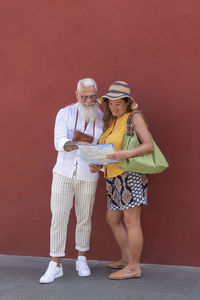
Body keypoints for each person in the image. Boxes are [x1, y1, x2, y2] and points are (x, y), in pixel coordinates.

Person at [40, 78, 103, 284]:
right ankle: (55, 263)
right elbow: (59, 141)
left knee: (85, 217)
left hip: (88, 175)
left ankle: (81, 258)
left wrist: (100, 165)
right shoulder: (64, 113)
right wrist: (75, 143)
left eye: (92, 96)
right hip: (63, 173)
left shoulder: (103, 118)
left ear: (97, 95)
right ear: (76, 95)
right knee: (58, 217)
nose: (88, 100)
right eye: (84, 96)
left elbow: (104, 148)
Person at [90, 81, 154, 280]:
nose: (114, 107)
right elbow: (108, 152)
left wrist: (126, 154)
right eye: (110, 103)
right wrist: (98, 165)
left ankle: (134, 267)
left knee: (131, 221)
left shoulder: (134, 118)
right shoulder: (111, 122)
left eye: (118, 103)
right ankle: (127, 258)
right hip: (112, 176)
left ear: (128, 102)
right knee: (112, 219)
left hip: (130, 175)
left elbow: (148, 145)